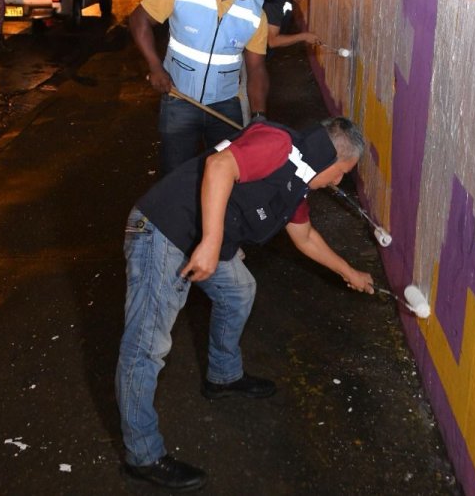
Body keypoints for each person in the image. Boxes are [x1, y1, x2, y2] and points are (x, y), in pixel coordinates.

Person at [116, 116, 375, 490]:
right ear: (330, 158)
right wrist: (211, 241)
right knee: (146, 346)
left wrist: (349, 272)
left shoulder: (298, 181)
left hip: (202, 237)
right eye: (341, 173)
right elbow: (220, 166)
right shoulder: (279, 145)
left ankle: (223, 376)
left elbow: (305, 238)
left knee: (239, 289)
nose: (337, 183)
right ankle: (142, 456)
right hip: (163, 230)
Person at [129, 0, 275, 175]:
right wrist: (155, 67)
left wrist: (259, 115)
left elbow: (257, 68)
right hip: (179, 100)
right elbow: (139, 20)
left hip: (225, 105)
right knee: (175, 178)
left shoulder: (255, 14)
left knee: (224, 178)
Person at [241, 0, 322, 124]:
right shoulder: (276, 4)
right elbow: (272, 40)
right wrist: (304, 36)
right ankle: (250, 126)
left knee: (260, 80)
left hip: (255, 44)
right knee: (251, 84)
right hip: (251, 48)